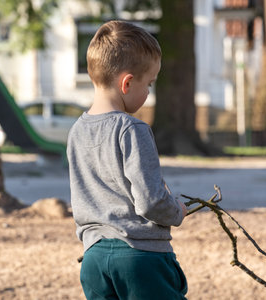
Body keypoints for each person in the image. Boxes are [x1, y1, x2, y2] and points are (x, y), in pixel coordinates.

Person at [67, 20, 188, 300]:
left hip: (94, 259)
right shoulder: (132, 129)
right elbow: (150, 201)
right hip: (140, 259)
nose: (148, 93)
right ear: (127, 82)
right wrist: (176, 212)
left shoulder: (76, 131)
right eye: (149, 84)